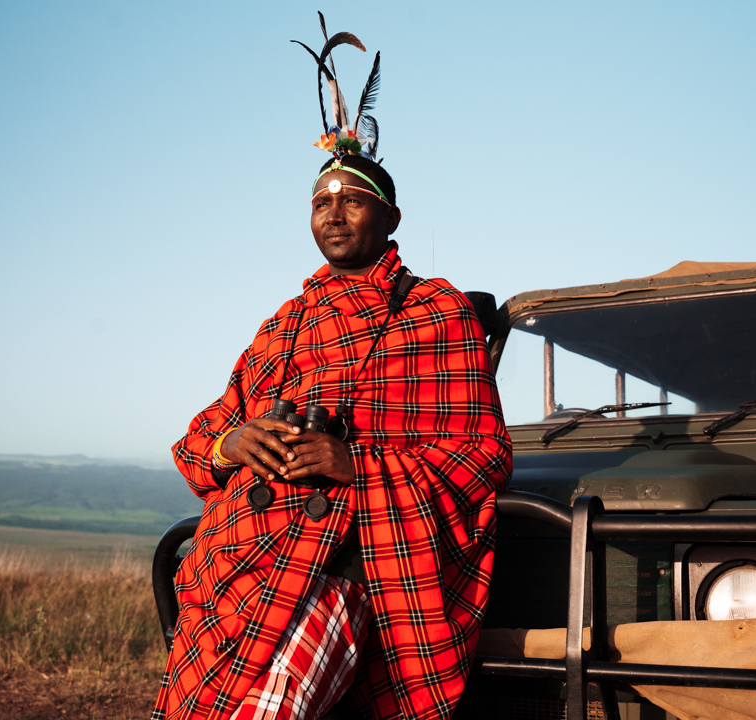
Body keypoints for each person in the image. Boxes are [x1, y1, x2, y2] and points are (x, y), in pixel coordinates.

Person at [151, 21, 512, 720]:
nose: (334, 214)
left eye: (352, 200)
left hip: (348, 560)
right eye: (321, 202)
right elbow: (196, 442)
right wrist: (234, 443)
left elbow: (484, 455)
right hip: (238, 559)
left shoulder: (436, 311)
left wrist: (357, 466)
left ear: (390, 216)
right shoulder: (285, 322)